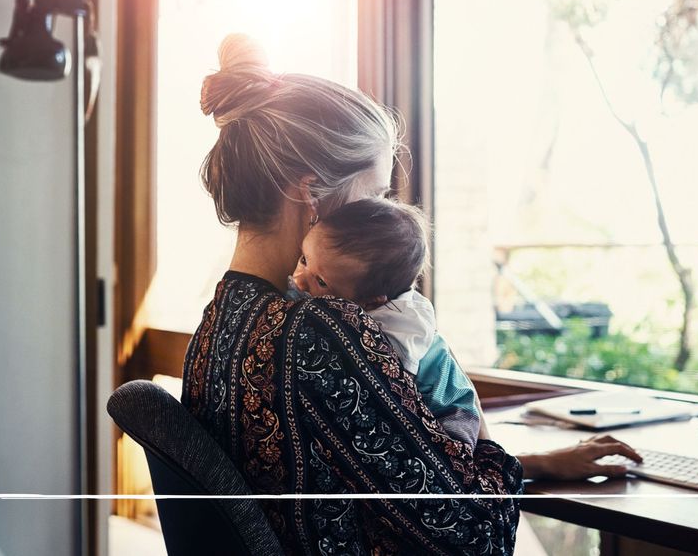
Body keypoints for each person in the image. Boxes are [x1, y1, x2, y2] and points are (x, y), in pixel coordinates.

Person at [182, 33, 642, 555]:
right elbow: (475, 538)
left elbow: (373, 474)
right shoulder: (321, 331)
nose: (382, 217)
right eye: (375, 196)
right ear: (309, 191)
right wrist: (479, 424)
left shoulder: (220, 323)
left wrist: (532, 464)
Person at [288, 196, 483, 448]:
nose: (300, 280)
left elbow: (391, 380)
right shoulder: (338, 292)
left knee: (454, 449)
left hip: (450, 407)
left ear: (369, 302)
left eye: (321, 282)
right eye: (304, 259)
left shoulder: (400, 327)